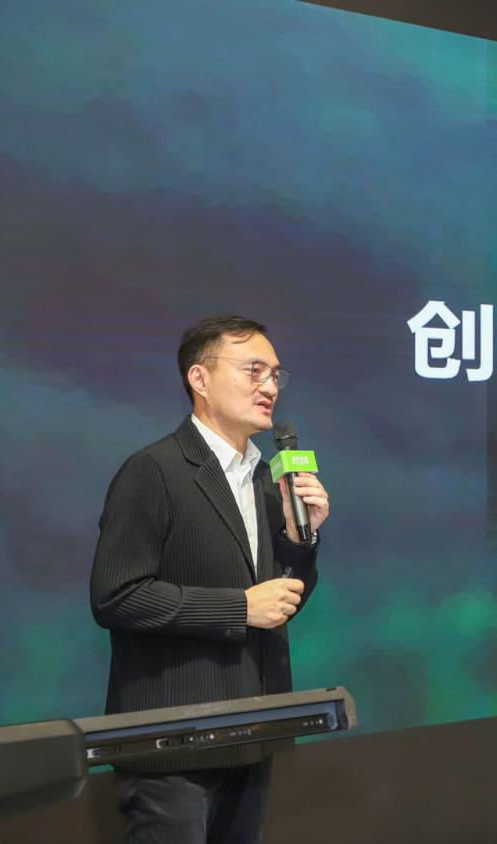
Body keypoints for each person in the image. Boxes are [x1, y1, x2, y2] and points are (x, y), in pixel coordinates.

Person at [90, 315, 330, 844]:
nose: (270, 387)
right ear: (200, 378)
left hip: (252, 730)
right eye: (253, 371)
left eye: (275, 375)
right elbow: (116, 597)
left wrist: (300, 539)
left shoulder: (266, 479)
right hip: (173, 743)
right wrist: (239, 608)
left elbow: (280, 604)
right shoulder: (154, 470)